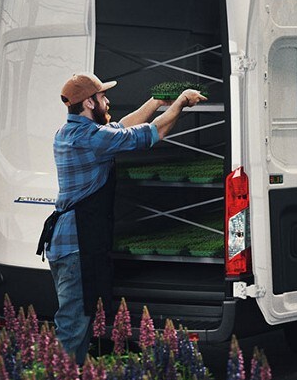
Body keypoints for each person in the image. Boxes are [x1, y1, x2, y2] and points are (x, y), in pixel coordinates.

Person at [38, 73, 205, 362]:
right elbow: (153, 134)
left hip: (66, 242)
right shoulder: (92, 140)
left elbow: (120, 127)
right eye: (102, 97)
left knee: (77, 319)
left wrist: (154, 102)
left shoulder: (69, 132)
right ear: (89, 102)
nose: (107, 100)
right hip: (77, 245)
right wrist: (179, 104)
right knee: (74, 323)